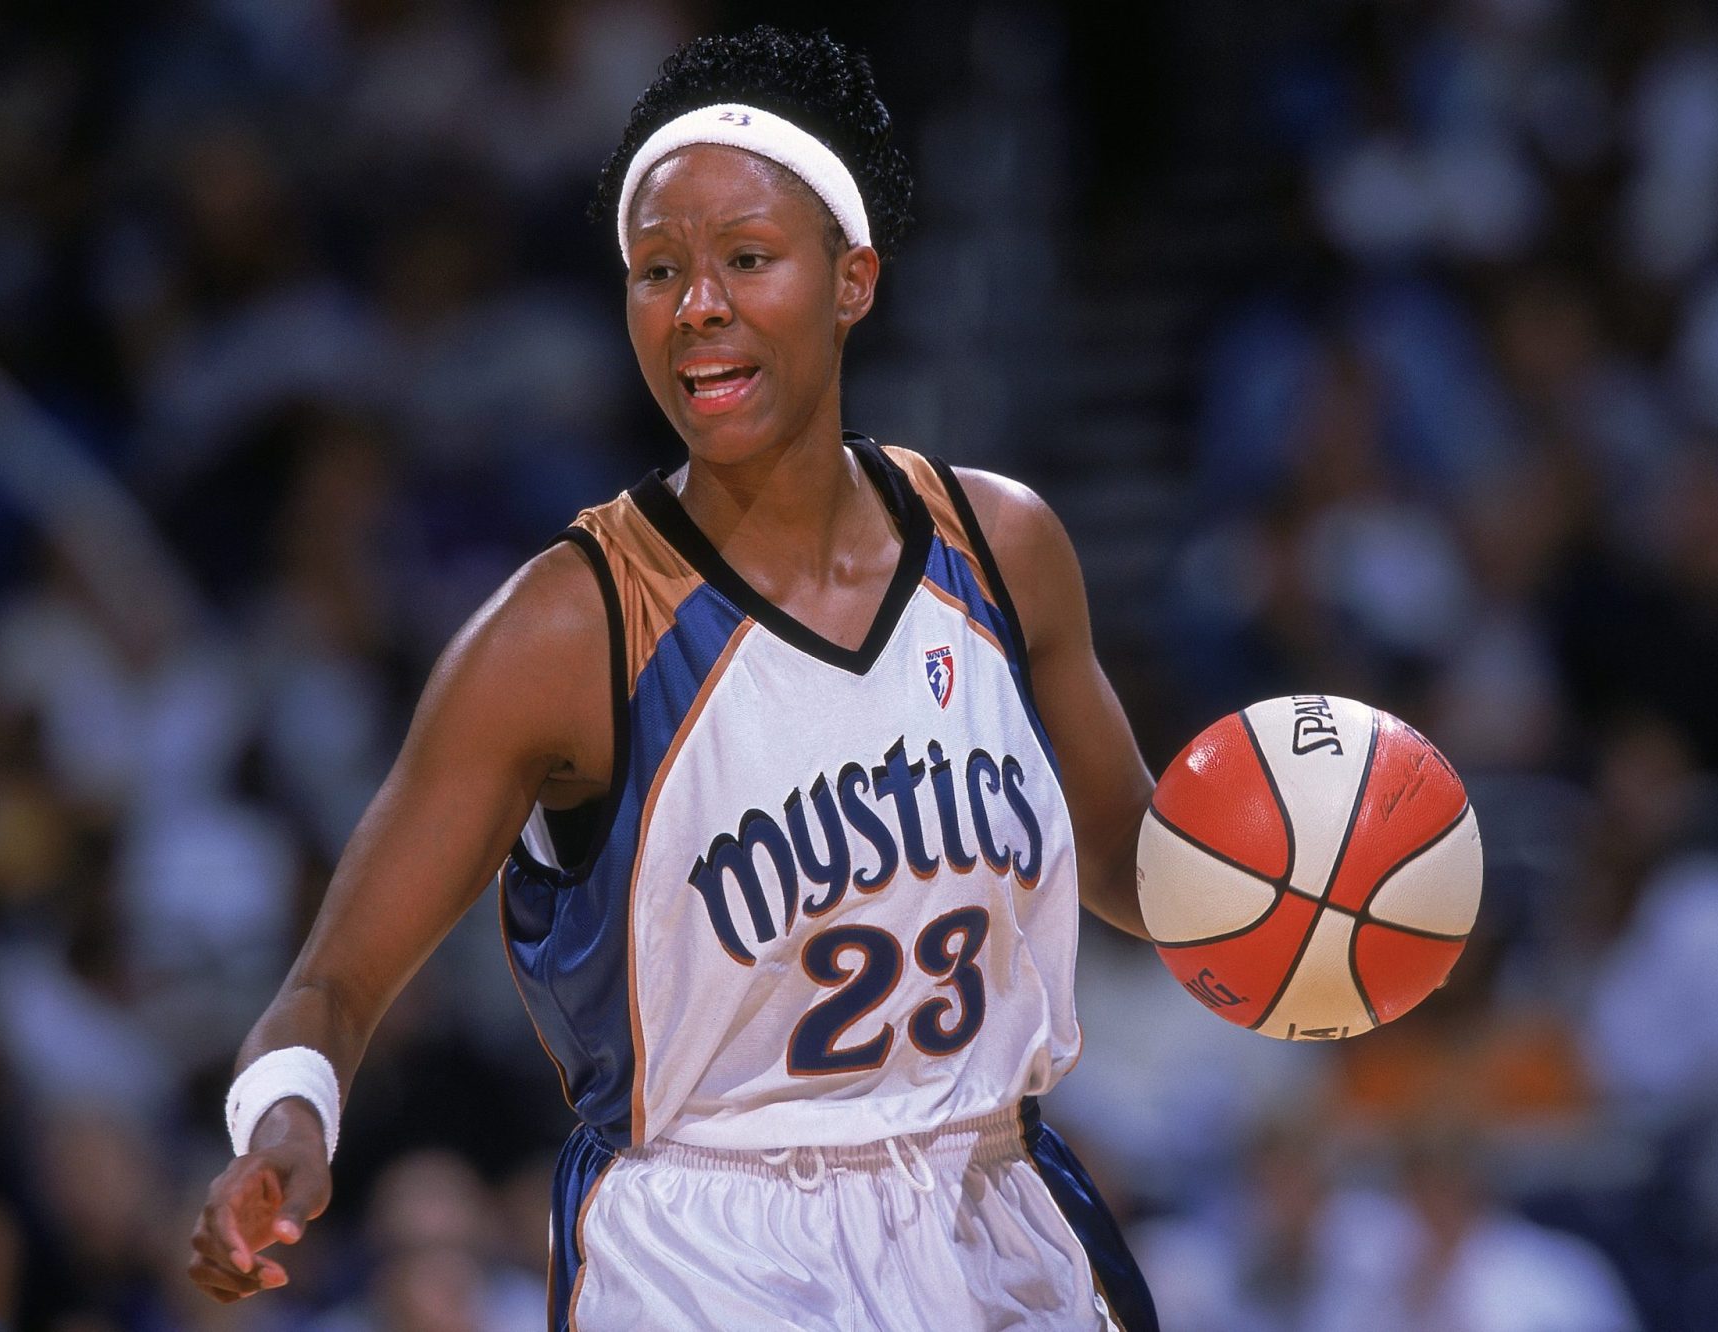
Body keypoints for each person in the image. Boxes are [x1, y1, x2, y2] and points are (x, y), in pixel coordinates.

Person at [187, 25, 1160, 1331]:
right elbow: (331, 986)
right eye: (656, 271)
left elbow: (1134, 866)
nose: (696, 304)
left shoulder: (1005, 546)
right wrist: (284, 1117)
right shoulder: (565, 628)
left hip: (995, 1202)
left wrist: (1305, 891)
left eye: (746, 260)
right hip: (708, 1253)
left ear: (852, 278)